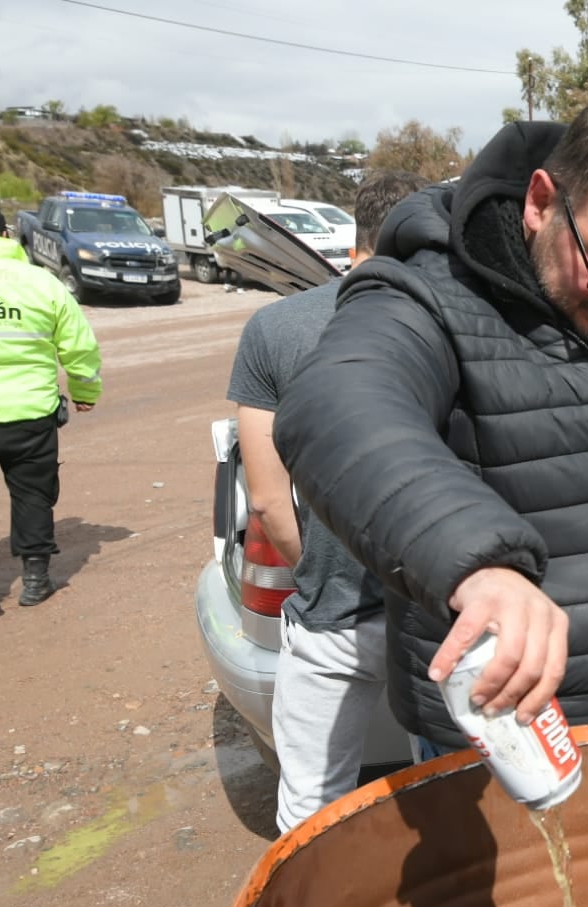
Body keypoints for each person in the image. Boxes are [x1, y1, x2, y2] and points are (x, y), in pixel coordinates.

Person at [272, 93, 588, 752]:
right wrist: (477, 565)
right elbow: (336, 405)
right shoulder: (429, 299)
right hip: (498, 731)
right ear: (541, 202)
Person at [226, 170, 426, 833]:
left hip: (331, 620)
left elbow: (267, 499)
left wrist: (320, 565)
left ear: (354, 240)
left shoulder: (275, 329)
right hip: (437, 611)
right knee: (458, 790)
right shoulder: (456, 325)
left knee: (311, 809)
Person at [0, 201, 101, 608]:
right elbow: (79, 346)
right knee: (33, 495)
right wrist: (86, 393)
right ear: (6, 236)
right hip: (30, 413)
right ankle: (35, 579)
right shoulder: (41, 282)